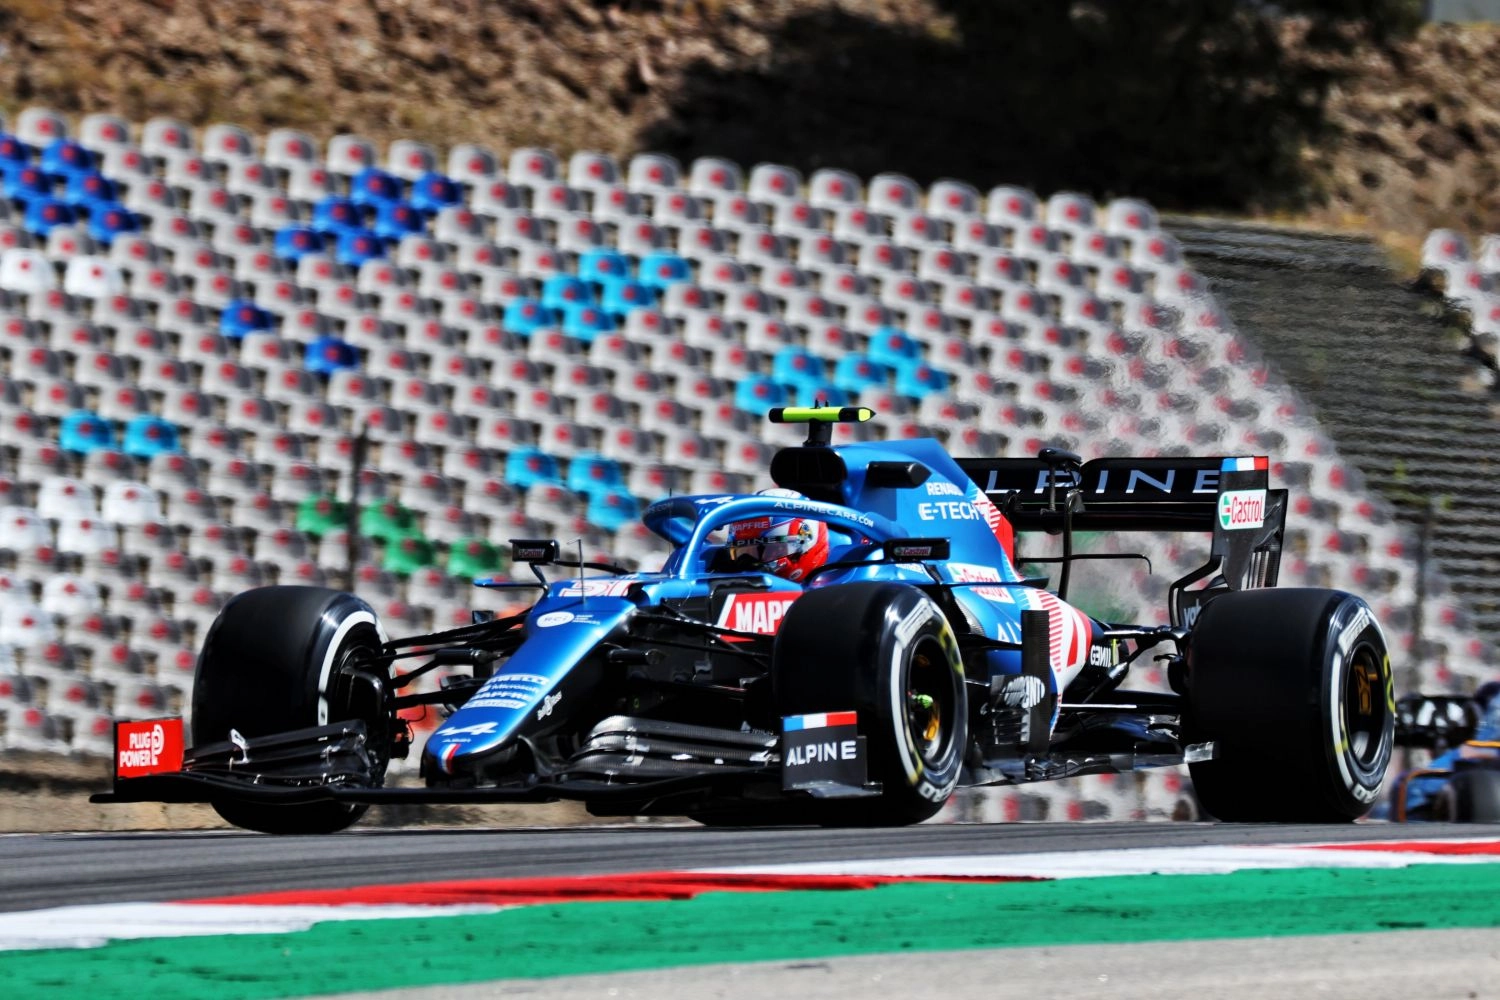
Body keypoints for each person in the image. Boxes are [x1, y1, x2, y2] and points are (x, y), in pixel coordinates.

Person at [723, 488, 830, 583]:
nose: (751, 565)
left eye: (771, 550)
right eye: (744, 552)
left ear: (805, 544)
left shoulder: (833, 594)